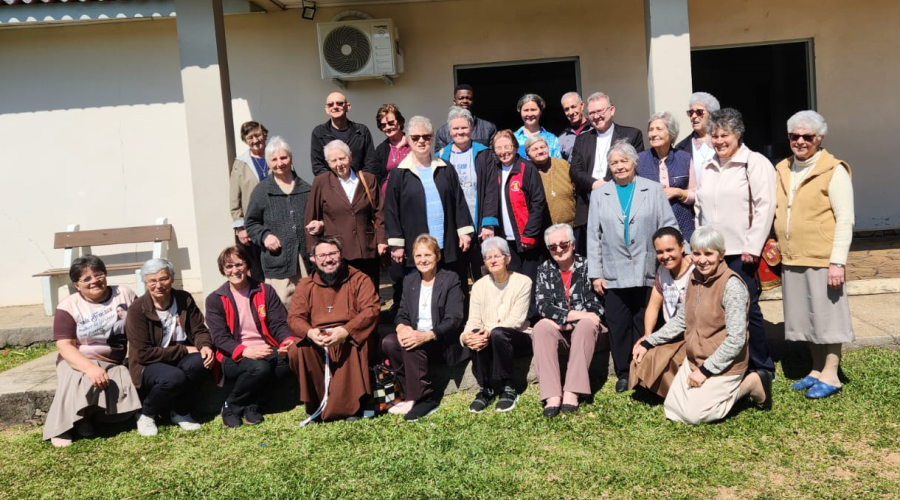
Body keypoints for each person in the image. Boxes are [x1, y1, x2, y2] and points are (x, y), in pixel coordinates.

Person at [633, 226, 772, 424]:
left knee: (695, 415)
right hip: (694, 359)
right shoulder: (694, 278)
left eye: (709, 253)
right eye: (697, 254)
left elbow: (736, 340)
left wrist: (706, 370)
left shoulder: (732, 285)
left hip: (725, 364)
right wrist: (648, 341)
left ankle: (751, 384)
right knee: (672, 410)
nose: (702, 260)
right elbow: (681, 320)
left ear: (721, 254)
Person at [774, 110, 855, 399]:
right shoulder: (782, 168)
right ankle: (816, 369)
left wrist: (837, 262)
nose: (800, 141)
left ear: (819, 138)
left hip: (822, 257)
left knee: (827, 317)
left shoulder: (834, 170)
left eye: (807, 137)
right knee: (806, 317)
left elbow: (845, 219)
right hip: (792, 256)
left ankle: (832, 375)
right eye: (794, 136)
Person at [587, 141, 677, 393]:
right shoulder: (600, 194)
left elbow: (668, 225)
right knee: (618, 323)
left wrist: (676, 256)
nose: (619, 166)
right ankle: (624, 373)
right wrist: (595, 273)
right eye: (614, 163)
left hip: (646, 266)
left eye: (623, 161)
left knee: (644, 320)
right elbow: (593, 236)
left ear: (634, 163)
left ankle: (644, 369)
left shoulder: (653, 189)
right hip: (613, 271)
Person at [695, 108, 776, 375]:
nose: (719, 141)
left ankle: (762, 366)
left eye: (725, 135)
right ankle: (731, 364)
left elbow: (765, 205)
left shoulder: (754, 162)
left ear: (738, 134)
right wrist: (699, 246)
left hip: (742, 252)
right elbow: (699, 208)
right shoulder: (708, 166)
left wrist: (753, 246)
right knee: (719, 311)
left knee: (747, 309)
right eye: (715, 135)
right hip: (712, 254)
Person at [43, 256, 141, 447]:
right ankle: (62, 427)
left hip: (112, 361)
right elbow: (65, 346)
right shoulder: (68, 306)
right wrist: (89, 368)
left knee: (120, 378)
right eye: (86, 278)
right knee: (78, 378)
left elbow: (141, 324)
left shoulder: (124, 294)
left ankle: (86, 419)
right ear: (76, 285)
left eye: (99, 275)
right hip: (77, 359)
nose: (94, 281)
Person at [286, 237, 381, 423]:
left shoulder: (360, 279)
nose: (328, 260)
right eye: (322, 256)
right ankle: (318, 403)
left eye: (332, 254)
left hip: (349, 332)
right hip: (319, 337)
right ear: (313, 259)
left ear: (341, 255)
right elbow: (294, 317)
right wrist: (310, 332)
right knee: (297, 350)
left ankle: (351, 406)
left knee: (353, 344)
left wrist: (346, 331)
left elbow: (371, 310)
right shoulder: (305, 285)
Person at [205, 245, 296, 428]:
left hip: (266, 347)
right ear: (223, 270)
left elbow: (278, 324)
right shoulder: (215, 299)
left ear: (247, 265)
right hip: (231, 354)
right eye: (229, 266)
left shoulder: (265, 291)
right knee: (260, 368)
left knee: (288, 362)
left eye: (239, 264)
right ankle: (231, 406)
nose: (235, 270)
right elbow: (220, 338)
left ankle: (252, 405)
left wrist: (287, 341)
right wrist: (245, 351)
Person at [383, 115, 475, 292]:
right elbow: (391, 210)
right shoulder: (399, 173)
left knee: (450, 288)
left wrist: (464, 232)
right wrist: (396, 243)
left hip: (446, 243)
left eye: (426, 136)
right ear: (408, 139)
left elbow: (459, 201)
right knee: (420, 292)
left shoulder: (446, 168)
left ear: (432, 138)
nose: (421, 141)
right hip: (416, 246)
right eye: (416, 137)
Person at [382, 234, 467, 422]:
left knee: (413, 342)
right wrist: (401, 327)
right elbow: (402, 312)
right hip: (417, 336)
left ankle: (425, 398)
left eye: (428, 255)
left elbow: (454, 318)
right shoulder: (410, 280)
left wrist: (428, 335)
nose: (423, 260)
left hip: (440, 339)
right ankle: (408, 394)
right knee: (389, 342)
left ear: (438, 256)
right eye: (418, 256)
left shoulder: (450, 279)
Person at [126, 258, 214, 437]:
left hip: (180, 357)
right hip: (150, 363)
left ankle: (180, 412)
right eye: (152, 281)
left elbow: (199, 329)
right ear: (145, 283)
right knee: (173, 377)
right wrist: (184, 350)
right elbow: (143, 354)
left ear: (172, 278)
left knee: (201, 361)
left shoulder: (184, 299)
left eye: (163, 279)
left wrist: (205, 345)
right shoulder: (137, 309)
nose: (158, 285)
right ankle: (146, 413)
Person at [532, 223, 604, 417]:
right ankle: (552, 395)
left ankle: (572, 390)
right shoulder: (544, 269)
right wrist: (575, 316)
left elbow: (595, 307)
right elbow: (544, 306)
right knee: (540, 327)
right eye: (552, 247)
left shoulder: (589, 266)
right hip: (561, 330)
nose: (558, 250)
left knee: (586, 324)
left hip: (588, 332)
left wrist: (564, 320)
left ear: (572, 244)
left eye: (563, 244)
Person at [461, 237, 533, 413]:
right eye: (488, 257)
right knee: (476, 333)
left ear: (507, 258)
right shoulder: (479, 286)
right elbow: (473, 319)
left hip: (518, 336)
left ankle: (508, 387)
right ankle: (485, 389)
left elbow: (516, 320)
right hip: (489, 338)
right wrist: (466, 337)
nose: (492, 260)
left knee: (498, 333)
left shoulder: (523, 282)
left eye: (497, 256)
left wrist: (488, 331)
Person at [569, 92, 645, 254]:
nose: (596, 116)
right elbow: (575, 170)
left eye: (600, 111)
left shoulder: (631, 135)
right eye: (592, 113)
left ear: (612, 110)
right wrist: (594, 184)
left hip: (621, 205)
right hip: (589, 207)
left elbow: (633, 166)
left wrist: (607, 185)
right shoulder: (582, 139)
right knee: (593, 255)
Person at [305, 139, 387, 289]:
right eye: (333, 160)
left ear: (350, 157)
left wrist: (381, 240)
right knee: (343, 294)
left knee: (369, 291)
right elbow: (311, 219)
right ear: (327, 163)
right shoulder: (321, 182)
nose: (339, 164)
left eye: (342, 158)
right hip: (337, 252)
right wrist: (313, 252)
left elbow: (379, 212)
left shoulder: (368, 179)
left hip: (367, 249)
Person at [245, 136, 313, 307]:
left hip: (305, 261)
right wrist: (265, 236)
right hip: (278, 262)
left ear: (291, 159)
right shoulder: (262, 191)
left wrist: (319, 225)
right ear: (268, 163)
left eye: (283, 157)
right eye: (274, 159)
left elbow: (318, 217)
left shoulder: (307, 189)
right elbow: (251, 223)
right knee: (281, 307)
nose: (279, 163)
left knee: (308, 304)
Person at [436, 106, 500, 286]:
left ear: (471, 128)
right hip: (453, 226)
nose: (460, 132)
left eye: (464, 127)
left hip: (478, 224)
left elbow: (491, 189)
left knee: (483, 273)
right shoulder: (441, 156)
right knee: (456, 276)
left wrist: (488, 223)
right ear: (449, 131)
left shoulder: (483, 153)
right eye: (455, 128)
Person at [628, 227, 694, 397]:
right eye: (660, 252)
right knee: (642, 354)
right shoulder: (662, 272)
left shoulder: (695, 272)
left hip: (691, 334)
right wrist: (647, 334)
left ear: (682, 247)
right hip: (669, 333)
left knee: (664, 358)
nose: (665, 256)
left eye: (670, 250)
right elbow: (653, 306)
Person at [492, 130, 550, 283]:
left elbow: (538, 202)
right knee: (514, 283)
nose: (503, 152)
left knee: (531, 283)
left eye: (507, 147)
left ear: (516, 147)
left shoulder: (527, 168)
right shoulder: (494, 170)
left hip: (528, 239)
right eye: (499, 148)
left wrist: (530, 234)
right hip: (506, 240)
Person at [372, 104, 411, 315]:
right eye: (383, 124)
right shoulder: (381, 150)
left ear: (400, 122)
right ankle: (398, 305)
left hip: (413, 208)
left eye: (391, 122)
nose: (388, 126)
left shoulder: (414, 142)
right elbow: (375, 180)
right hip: (391, 210)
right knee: (396, 262)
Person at [637, 111, 697, 242]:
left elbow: (696, 193)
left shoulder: (684, 158)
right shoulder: (639, 160)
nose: (653, 134)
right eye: (651, 130)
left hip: (682, 226)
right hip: (650, 226)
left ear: (672, 134)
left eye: (659, 129)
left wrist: (678, 192)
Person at [310, 92, 382, 183]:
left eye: (339, 103)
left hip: (359, 185)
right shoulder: (319, 133)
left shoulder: (361, 131)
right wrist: (335, 184)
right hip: (332, 187)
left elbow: (370, 163)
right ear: (327, 109)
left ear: (348, 107)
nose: (335, 107)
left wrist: (358, 182)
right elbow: (318, 166)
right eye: (331, 104)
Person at [229, 121, 270, 281]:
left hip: (277, 222)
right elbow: (234, 198)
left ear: (264, 135)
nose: (255, 140)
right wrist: (241, 228)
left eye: (257, 135)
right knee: (257, 271)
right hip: (253, 225)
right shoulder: (240, 163)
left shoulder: (276, 156)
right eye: (250, 137)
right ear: (245, 140)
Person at [525, 135, 576, 228]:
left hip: (572, 226)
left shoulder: (562, 164)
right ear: (527, 155)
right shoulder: (527, 172)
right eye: (535, 149)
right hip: (544, 229)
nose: (540, 151)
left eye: (542, 147)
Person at [433, 84, 497, 151]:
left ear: (473, 101)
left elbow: (494, 154)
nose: (465, 101)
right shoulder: (443, 132)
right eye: (461, 98)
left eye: (468, 98)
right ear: (455, 102)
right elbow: (441, 155)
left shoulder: (489, 128)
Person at [674, 92, 720, 180]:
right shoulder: (680, 148)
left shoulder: (724, 142)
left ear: (712, 115)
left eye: (699, 112)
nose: (693, 116)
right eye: (691, 112)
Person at [513, 93, 562, 159]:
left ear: (540, 111)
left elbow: (557, 163)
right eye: (526, 110)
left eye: (533, 110)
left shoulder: (552, 139)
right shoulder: (513, 138)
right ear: (520, 112)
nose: (530, 114)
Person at [557, 92, 592, 161]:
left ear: (582, 105)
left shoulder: (595, 129)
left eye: (573, 107)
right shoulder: (562, 138)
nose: (571, 112)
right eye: (566, 109)